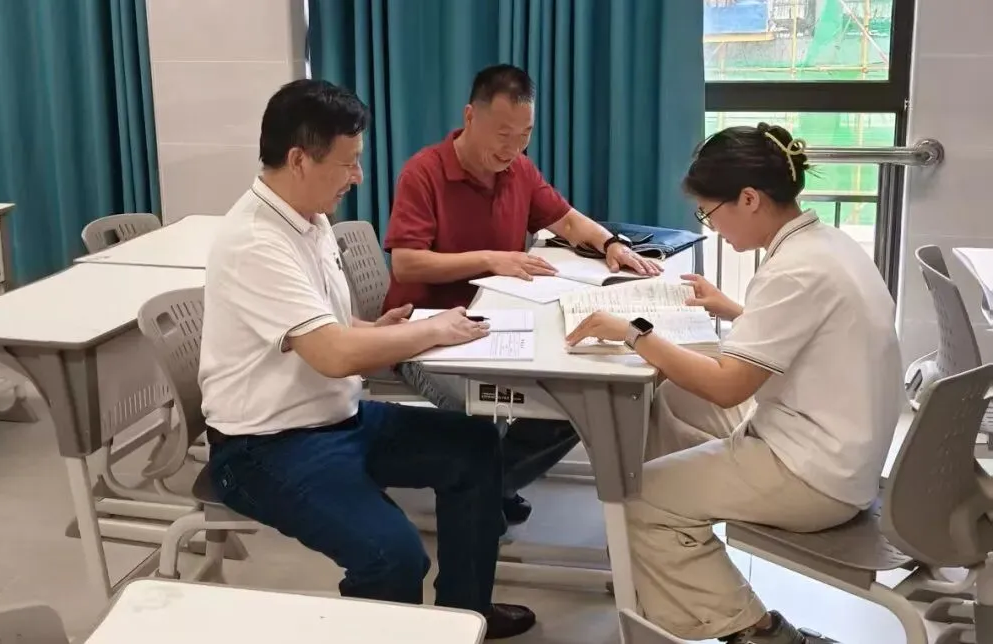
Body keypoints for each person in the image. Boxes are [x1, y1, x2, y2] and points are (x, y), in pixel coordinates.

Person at [199, 78, 537, 639]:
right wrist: (433, 330)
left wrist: (375, 331)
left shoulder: (308, 218)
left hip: (337, 418)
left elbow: (325, 326)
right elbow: (331, 353)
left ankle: (464, 616)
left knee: (474, 445)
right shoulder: (256, 241)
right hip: (264, 447)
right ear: (299, 160)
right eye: (348, 162)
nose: (358, 175)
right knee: (393, 556)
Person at [565, 123, 903, 644]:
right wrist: (732, 309)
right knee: (671, 393)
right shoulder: (827, 243)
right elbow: (808, 339)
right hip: (834, 441)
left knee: (636, 498)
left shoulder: (794, 270)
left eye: (709, 211)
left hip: (816, 473)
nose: (712, 226)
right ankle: (663, 553)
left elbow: (728, 388)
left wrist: (635, 333)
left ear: (749, 198)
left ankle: (760, 631)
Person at [383, 64, 660, 524]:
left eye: (525, 134)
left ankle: (489, 487)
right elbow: (406, 262)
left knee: (578, 401)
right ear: (470, 116)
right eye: (503, 135)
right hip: (425, 336)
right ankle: (481, 492)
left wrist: (612, 244)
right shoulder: (424, 172)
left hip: (495, 325)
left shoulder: (518, 170)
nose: (512, 148)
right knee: (491, 410)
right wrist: (490, 258)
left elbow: (566, 219)